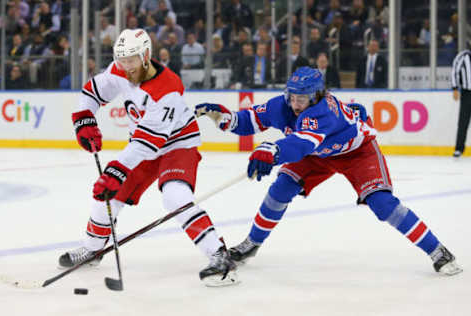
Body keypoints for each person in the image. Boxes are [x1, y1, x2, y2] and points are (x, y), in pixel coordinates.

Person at [195, 67, 462, 276]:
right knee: (280, 189)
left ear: (316, 96)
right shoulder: (283, 104)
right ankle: (252, 243)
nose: (295, 103)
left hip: (356, 153)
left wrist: (273, 151)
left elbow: (299, 145)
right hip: (317, 155)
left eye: (301, 98)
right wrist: (227, 120)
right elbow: (250, 120)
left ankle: (438, 251)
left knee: (382, 204)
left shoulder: (323, 112)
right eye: (292, 95)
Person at [59, 28, 238, 287]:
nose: (125, 66)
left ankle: (220, 256)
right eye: (121, 59)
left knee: (175, 196)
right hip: (142, 143)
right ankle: (92, 249)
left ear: (145, 55)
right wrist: (84, 119)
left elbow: (147, 143)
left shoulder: (168, 90)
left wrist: (116, 171)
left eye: (131, 59)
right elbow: (92, 92)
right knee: (105, 197)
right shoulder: (119, 69)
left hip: (177, 144)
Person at [451, 48, 471, 158]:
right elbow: (455, 70)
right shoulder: (463, 56)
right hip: (467, 93)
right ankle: (459, 148)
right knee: (463, 122)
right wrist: (455, 88)